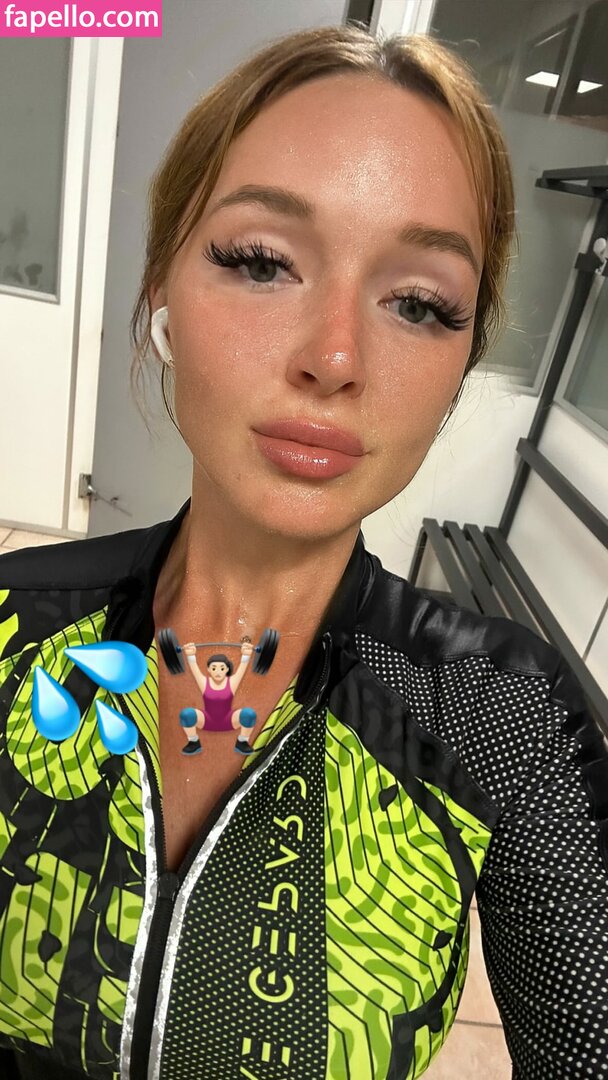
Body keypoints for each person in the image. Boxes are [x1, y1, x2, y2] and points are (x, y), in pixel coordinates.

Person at [0, 21, 606, 1080]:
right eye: (261, 262)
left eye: (418, 304)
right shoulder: (12, 623)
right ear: (162, 293)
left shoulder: (501, 720)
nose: (334, 356)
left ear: (459, 364)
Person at [178, 640, 257, 755]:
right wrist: (190, 655)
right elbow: (195, 669)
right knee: (186, 714)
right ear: (209, 670)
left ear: (227, 669)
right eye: (214, 668)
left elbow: (242, 668)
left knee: (249, 714)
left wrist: (246, 655)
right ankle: (193, 742)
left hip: (229, 721)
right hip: (206, 721)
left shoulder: (232, 682)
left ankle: (242, 742)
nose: (218, 672)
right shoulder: (204, 683)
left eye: (222, 668)